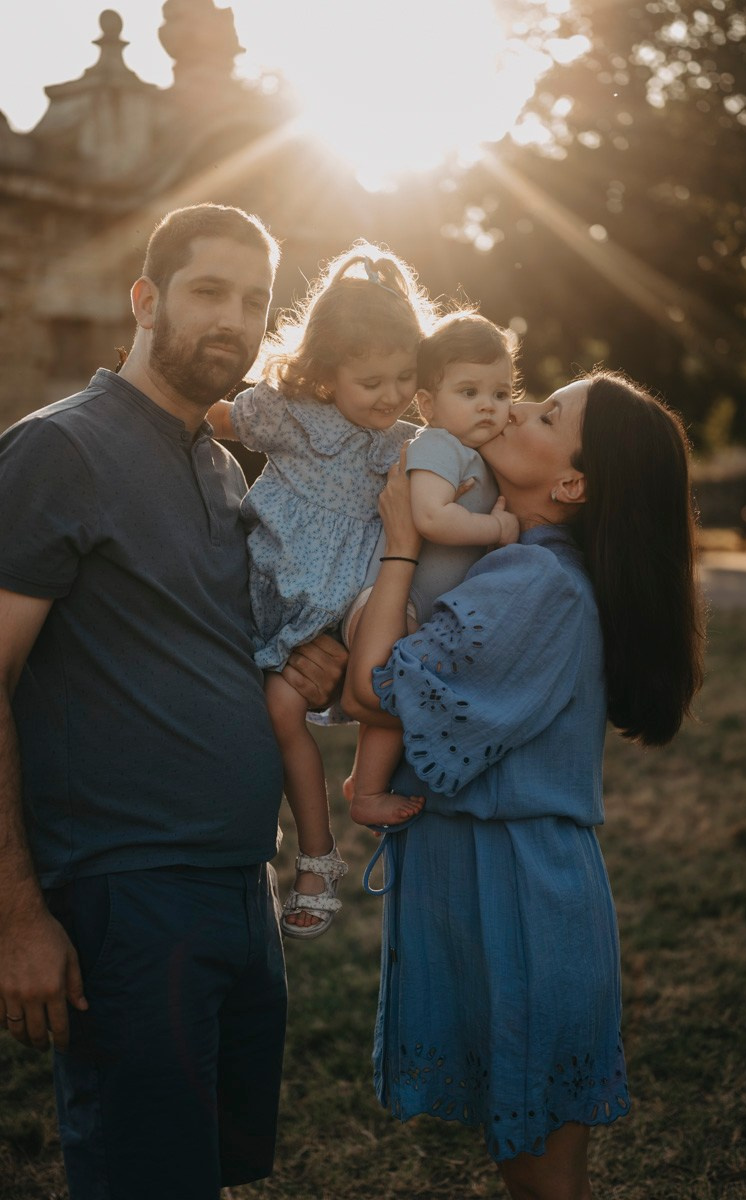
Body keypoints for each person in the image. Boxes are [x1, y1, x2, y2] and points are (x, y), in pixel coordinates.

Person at [0, 203, 346, 1200]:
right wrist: (17, 913)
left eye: (253, 300)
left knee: (209, 1175)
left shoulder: (221, 466)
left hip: (239, 890)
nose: (232, 320)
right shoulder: (58, 451)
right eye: (207, 292)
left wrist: (301, 664)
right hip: (124, 895)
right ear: (145, 299)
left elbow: (214, 648)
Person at [343, 369, 705, 1200]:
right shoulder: (509, 561)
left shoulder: (534, 584)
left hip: (519, 904)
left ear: (572, 482)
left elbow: (375, 689)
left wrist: (401, 538)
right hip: (492, 888)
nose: (511, 410)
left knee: (545, 1180)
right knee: (527, 1168)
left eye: (546, 414)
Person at [207, 241, 439, 938]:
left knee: (384, 663)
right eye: (372, 380)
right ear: (325, 372)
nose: (393, 394)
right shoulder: (289, 417)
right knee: (281, 711)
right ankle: (317, 852)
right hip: (291, 609)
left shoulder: (408, 442)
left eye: (405, 376)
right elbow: (215, 417)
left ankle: (365, 788)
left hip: (360, 602)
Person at [346, 311, 520, 828]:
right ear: (427, 403)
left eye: (502, 393)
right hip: (397, 603)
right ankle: (367, 793)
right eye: (469, 392)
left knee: (409, 691)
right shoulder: (438, 446)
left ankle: (365, 778)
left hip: (425, 611)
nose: (488, 405)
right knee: (402, 683)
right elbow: (428, 517)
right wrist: (496, 530)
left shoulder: (476, 451)